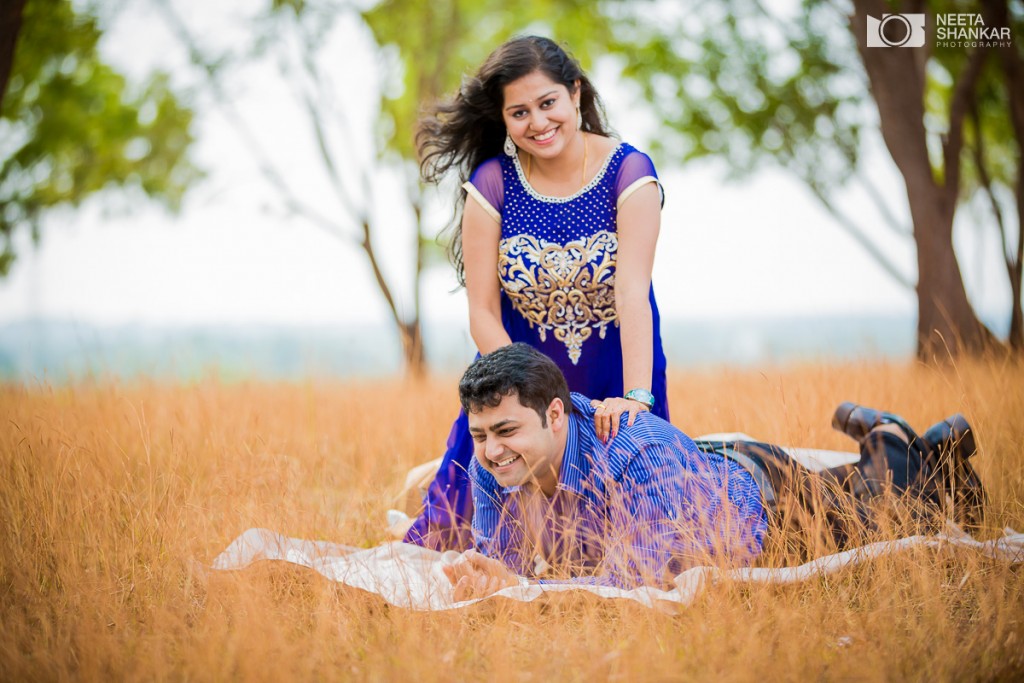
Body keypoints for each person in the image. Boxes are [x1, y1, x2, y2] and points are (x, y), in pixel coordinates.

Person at [441, 344, 987, 601]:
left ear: (554, 414)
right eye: (482, 434)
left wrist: (521, 585)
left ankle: (891, 438)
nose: (490, 450)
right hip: (703, 466)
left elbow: (630, 587)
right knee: (855, 486)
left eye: (507, 431)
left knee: (900, 510)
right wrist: (490, 577)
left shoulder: (633, 453)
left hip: (766, 507)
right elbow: (505, 567)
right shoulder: (495, 465)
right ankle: (909, 440)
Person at [404, 36, 671, 550]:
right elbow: (481, 310)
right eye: (519, 112)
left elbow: (634, 292)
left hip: (614, 372)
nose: (538, 122)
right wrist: (519, 399)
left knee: (625, 539)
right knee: (456, 541)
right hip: (516, 375)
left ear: (574, 93)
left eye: (547, 103)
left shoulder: (630, 172)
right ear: (503, 119)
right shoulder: (493, 182)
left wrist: (636, 399)